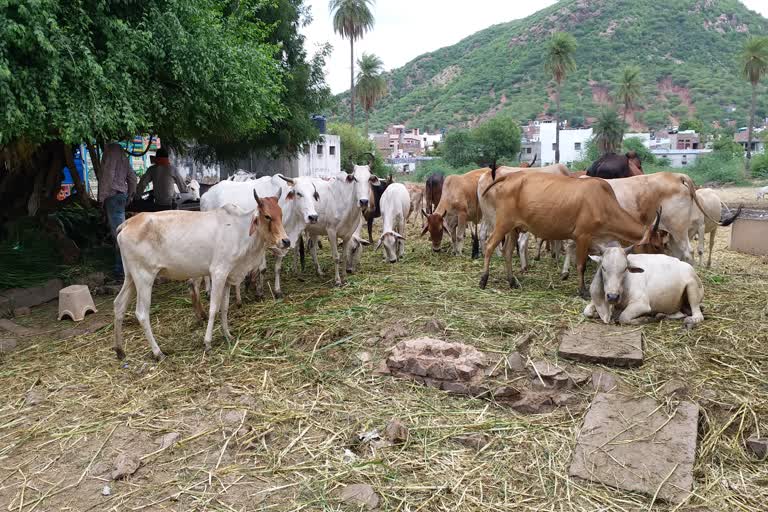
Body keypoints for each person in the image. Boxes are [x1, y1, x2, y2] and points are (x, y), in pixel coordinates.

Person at [99, 142, 137, 281]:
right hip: (121, 196)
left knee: (119, 236)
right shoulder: (122, 154)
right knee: (122, 233)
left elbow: (108, 175)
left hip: (113, 196)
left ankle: (121, 271)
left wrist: (101, 198)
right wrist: (131, 195)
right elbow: (132, 177)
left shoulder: (110, 151)